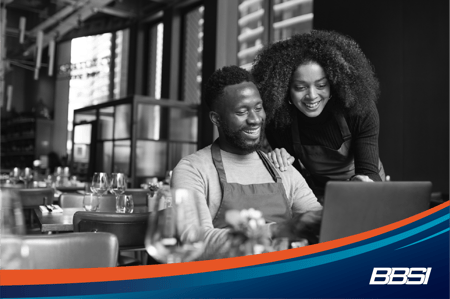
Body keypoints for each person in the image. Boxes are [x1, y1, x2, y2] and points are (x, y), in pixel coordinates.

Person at [171, 65, 322, 260]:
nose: (255, 119)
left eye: (258, 108)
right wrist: (279, 231)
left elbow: (318, 225)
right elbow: (194, 241)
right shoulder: (192, 170)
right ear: (216, 119)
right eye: (242, 112)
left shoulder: (282, 166)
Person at [252, 30, 386, 198]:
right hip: (322, 195)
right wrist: (280, 164)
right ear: (285, 89)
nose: (312, 96)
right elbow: (297, 181)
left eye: (321, 85)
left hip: (367, 190)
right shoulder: (279, 121)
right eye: (300, 87)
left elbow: (369, 172)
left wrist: (358, 185)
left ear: (333, 84)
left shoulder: (358, 110)